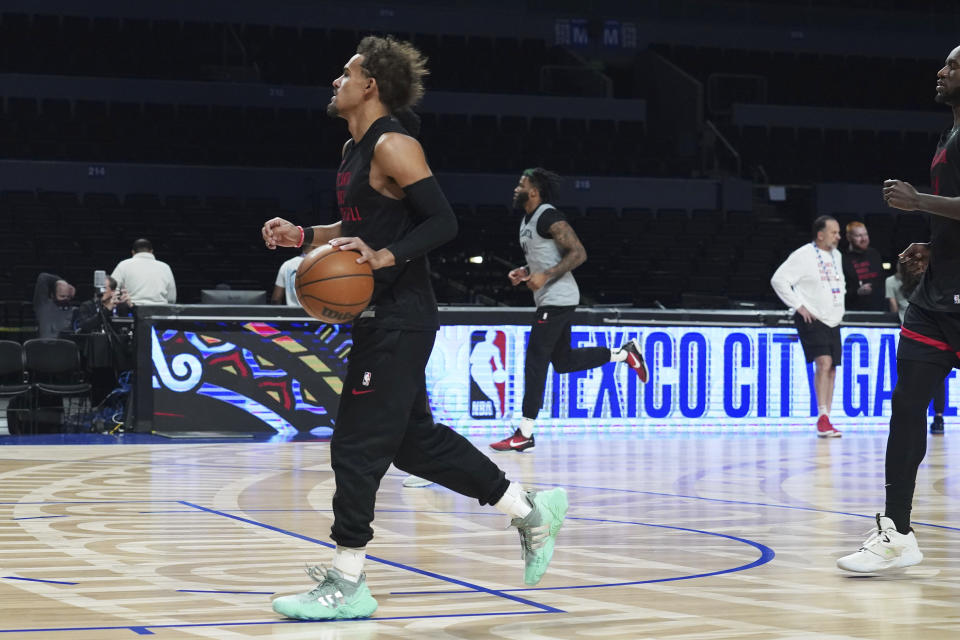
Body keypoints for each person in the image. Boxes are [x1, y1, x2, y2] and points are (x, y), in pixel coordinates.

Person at [260, 35, 567, 621]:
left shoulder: (393, 144)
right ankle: (528, 509)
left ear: (369, 84)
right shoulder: (353, 152)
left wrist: (384, 257)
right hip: (382, 319)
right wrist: (306, 237)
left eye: (344, 73)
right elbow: (357, 223)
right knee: (412, 443)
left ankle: (348, 581)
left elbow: (444, 221)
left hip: (401, 316)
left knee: (354, 446)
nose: (335, 82)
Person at [837, 45, 960, 573]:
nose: (942, 70)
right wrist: (934, 243)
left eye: (954, 66)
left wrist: (919, 203)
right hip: (935, 300)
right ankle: (898, 534)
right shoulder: (948, 135)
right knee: (907, 408)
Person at [489, 168, 648, 452]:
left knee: (535, 362)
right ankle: (625, 354)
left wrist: (544, 276)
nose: (515, 188)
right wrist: (525, 271)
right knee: (563, 362)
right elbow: (546, 259)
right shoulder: (527, 220)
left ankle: (525, 433)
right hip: (551, 298)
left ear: (534, 191)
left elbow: (578, 253)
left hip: (558, 298)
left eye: (520, 184)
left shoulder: (549, 215)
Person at [770, 215, 845, 438]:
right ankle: (821, 416)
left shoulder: (837, 255)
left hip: (833, 318)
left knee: (832, 368)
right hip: (812, 317)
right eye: (834, 232)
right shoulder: (803, 255)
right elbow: (779, 280)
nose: (838, 236)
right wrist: (798, 306)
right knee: (824, 362)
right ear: (820, 234)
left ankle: (828, 417)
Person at [887, 263, 945, 435]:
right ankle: (923, 420)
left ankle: (935, 417)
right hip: (916, 334)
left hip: (924, 334)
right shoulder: (895, 282)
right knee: (920, 380)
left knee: (929, 379)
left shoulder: (929, 281)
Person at [111, 238, 176, 306]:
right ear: (151, 251)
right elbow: (171, 298)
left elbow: (111, 290)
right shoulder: (165, 267)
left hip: (132, 311)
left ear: (133, 252)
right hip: (160, 312)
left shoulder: (123, 265)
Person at [842, 221, 886, 311]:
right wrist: (857, 292)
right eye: (858, 236)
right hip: (853, 310)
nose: (864, 239)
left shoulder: (874, 254)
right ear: (849, 237)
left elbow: (881, 281)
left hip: (877, 308)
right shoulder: (843, 259)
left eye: (865, 234)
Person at [33, 272, 76, 339]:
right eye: (62, 296)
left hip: (66, 347)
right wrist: (63, 283)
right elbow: (43, 277)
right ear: (52, 295)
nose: (65, 299)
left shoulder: (73, 311)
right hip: (44, 347)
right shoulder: (43, 306)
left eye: (68, 297)